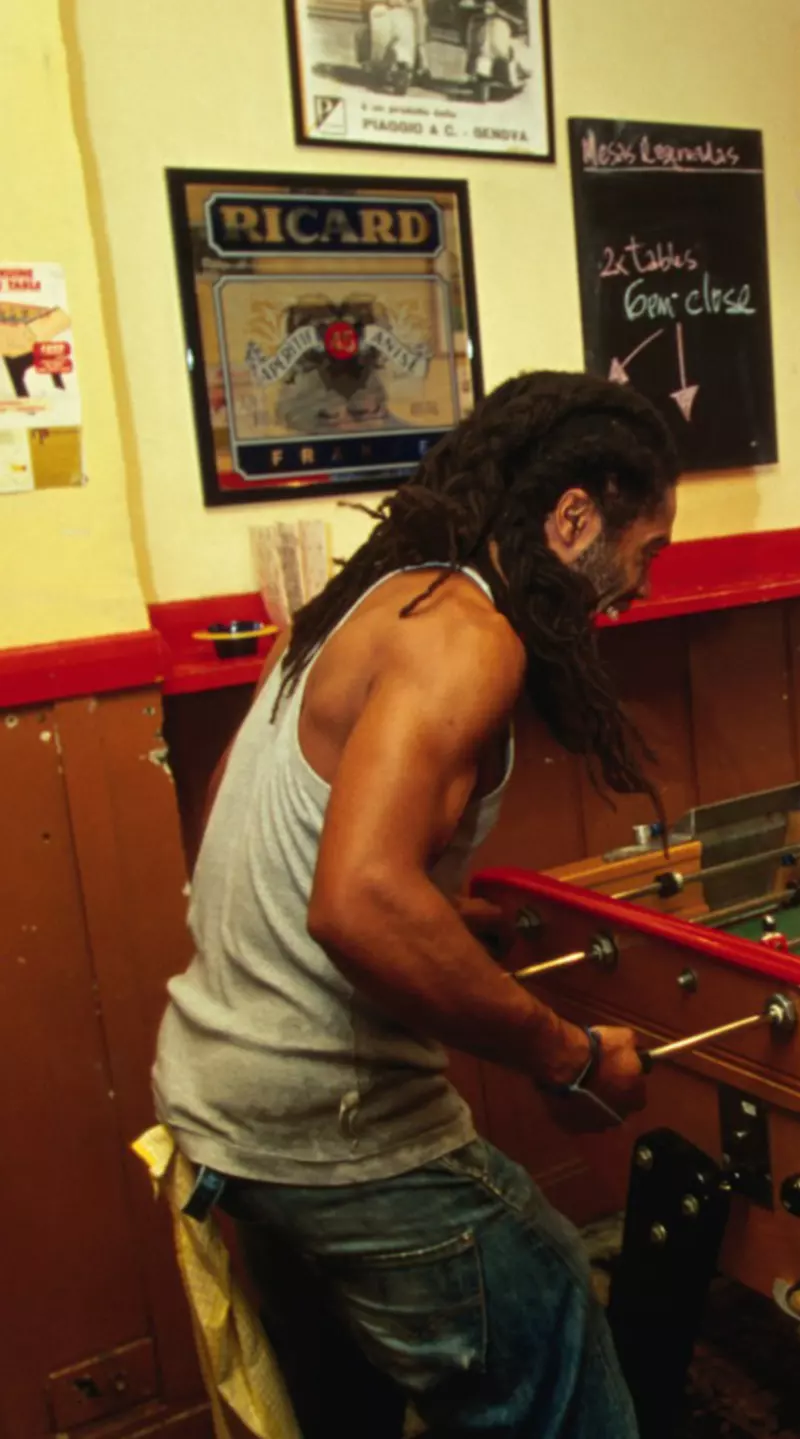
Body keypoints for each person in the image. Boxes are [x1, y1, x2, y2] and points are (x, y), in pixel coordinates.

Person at [150, 372, 681, 1438]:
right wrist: (566, 1054)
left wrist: (441, 916)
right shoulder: (467, 636)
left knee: (345, 1409)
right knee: (559, 1343)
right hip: (329, 1133)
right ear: (574, 515)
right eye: (647, 548)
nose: (639, 584)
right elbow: (354, 901)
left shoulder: (371, 599)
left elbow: (245, 833)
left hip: (220, 1120)